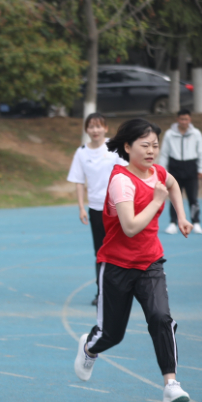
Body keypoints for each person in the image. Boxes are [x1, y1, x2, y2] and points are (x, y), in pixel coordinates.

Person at [74, 118, 193, 402]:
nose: (151, 151)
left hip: (150, 262)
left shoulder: (158, 172)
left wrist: (181, 216)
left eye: (155, 145)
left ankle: (171, 384)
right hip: (116, 265)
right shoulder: (121, 181)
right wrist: (156, 202)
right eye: (145, 145)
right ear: (127, 147)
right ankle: (89, 348)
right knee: (112, 335)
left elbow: (173, 184)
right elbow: (129, 227)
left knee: (161, 318)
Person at [68, 113, 124, 306]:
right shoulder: (81, 152)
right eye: (91, 127)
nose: (95, 130)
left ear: (105, 128)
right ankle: (101, 292)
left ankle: (119, 290)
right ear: (86, 130)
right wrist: (81, 207)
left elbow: (126, 174)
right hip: (95, 208)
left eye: (99, 126)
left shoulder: (114, 148)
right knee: (100, 252)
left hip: (116, 208)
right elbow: (78, 181)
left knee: (118, 250)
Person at [159, 109, 202, 235]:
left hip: (191, 169)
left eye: (186, 119)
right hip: (175, 168)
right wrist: (162, 170)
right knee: (174, 197)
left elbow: (201, 152)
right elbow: (164, 153)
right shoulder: (169, 134)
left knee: (193, 198)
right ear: (177, 119)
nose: (184, 122)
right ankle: (173, 223)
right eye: (182, 119)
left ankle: (196, 222)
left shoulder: (196, 133)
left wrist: (201, 169)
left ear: (190, 120)